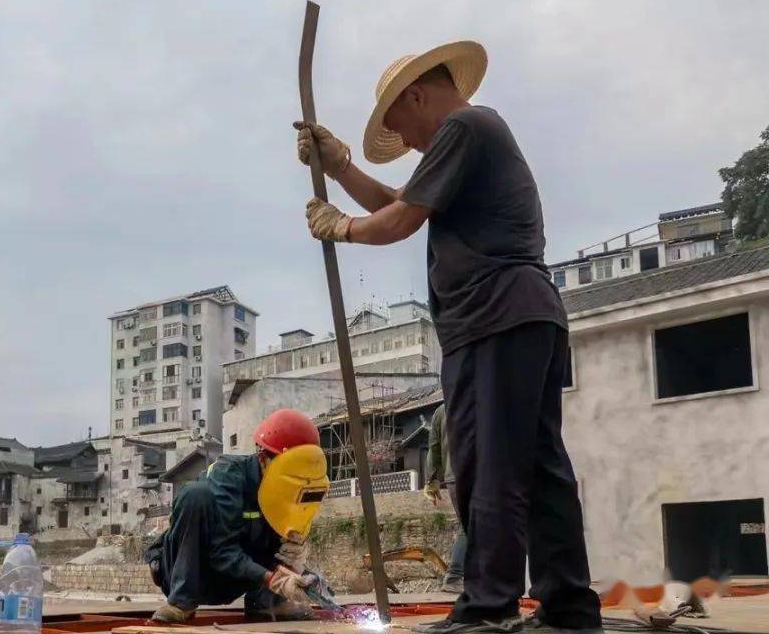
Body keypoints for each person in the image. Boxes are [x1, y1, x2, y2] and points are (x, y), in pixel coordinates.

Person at [295, 41, 602, 634]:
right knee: (536, 466)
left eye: (401, 128)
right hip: (522, 316)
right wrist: (340, 169)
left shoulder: (464, 125)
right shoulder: (474, 137)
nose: (405, 143)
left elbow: (397, 220)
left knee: (488, 464)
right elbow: (402, 204)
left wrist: (343, 227)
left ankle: (486, 606)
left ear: (416, 94)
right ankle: (567, 606)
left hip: (494, 316)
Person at [145, 409, 324, 623]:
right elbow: (221, 551)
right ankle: (181, 603)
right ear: (263, 457)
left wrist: (295, 568)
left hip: (238, 577)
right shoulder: (229, 475)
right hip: (197, 568)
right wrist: (275, 579)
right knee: (195, 494)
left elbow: (285, 548)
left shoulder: (295, 488)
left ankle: (266, 605)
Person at [425, 403, 467, 594]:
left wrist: (432, 480)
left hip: (453, 478)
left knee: (467, 525)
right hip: (475, 472)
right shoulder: (480, 397)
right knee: (472, 525)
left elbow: (433, 447)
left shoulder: (441, 410)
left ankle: (463, 576)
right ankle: (455, 575)